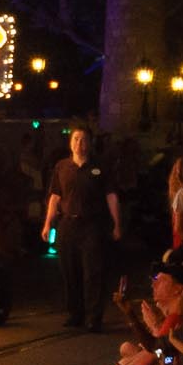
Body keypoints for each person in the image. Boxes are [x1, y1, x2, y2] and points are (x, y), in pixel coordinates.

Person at [43, 127, 122, 330]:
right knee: (70, 271)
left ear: (90, 143)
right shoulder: (62, 167)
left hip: (92, 225)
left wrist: (116, 224)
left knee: (92, 271)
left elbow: (111, 196)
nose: (80, 143)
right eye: (76, 139)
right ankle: (75, 313)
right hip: (68, 223)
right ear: (70, 143)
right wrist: (47, 223)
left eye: (84, 139)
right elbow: (55, 197)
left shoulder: (100, 168)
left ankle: (93, 316)